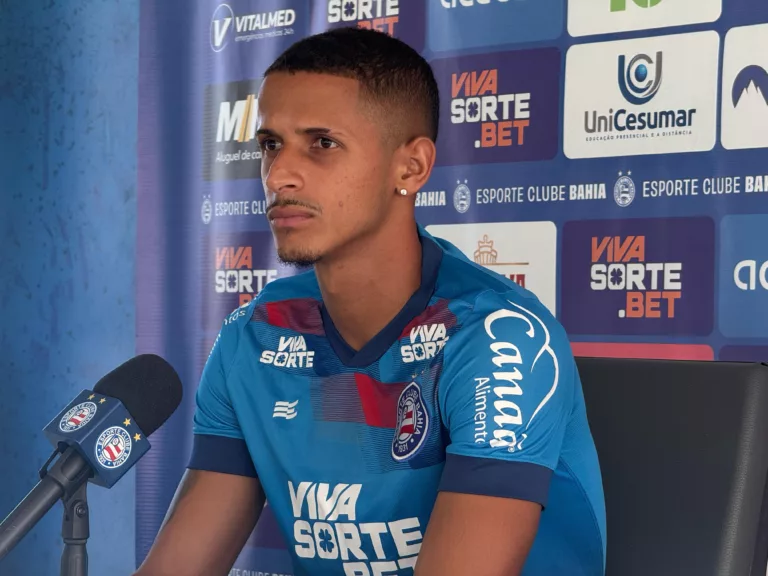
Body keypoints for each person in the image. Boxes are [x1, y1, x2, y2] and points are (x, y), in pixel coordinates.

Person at [134, 27, 606, 576]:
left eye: (322, 143)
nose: (279, 174)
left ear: (411, 168)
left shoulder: (495, 337)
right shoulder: (254, 336)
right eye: (270, 145)